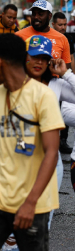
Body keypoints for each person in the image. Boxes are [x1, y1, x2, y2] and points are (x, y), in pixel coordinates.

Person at [0, 34, 75, 250]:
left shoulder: (46, 94)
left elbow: (51, 152)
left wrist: (31, 202)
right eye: (34, 57)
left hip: (34, 197)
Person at [51, 11, 74, 155]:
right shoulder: (48, 38)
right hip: (51, 81)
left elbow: (71, 58)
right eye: (60, 25)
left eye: (65, 24)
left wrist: (71, 77)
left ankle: (62, 141)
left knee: (65, 111)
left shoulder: (68, 39)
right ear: (53, 24)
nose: (63, 27)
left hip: (64, 79)